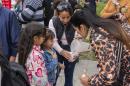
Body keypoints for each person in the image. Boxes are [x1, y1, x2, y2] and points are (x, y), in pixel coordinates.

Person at [70, 6, 130, 86]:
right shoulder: (109, 22)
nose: (77, 34)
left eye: (76, 30)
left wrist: (89, 81)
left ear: (82, 27)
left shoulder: (99, 38)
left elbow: (109, 76)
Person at [49, 1, 77, 86]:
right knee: (54, 74)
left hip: (70, 48)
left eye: (68, 17)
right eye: (63, 17)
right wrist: (61, 51)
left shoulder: (75, 22)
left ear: (71, 15)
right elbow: (53, 40)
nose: (65, 20)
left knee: (69, 76)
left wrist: (75, 52)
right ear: (58, 15)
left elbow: (78, 39)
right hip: (57, 49)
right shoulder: (53, 21)